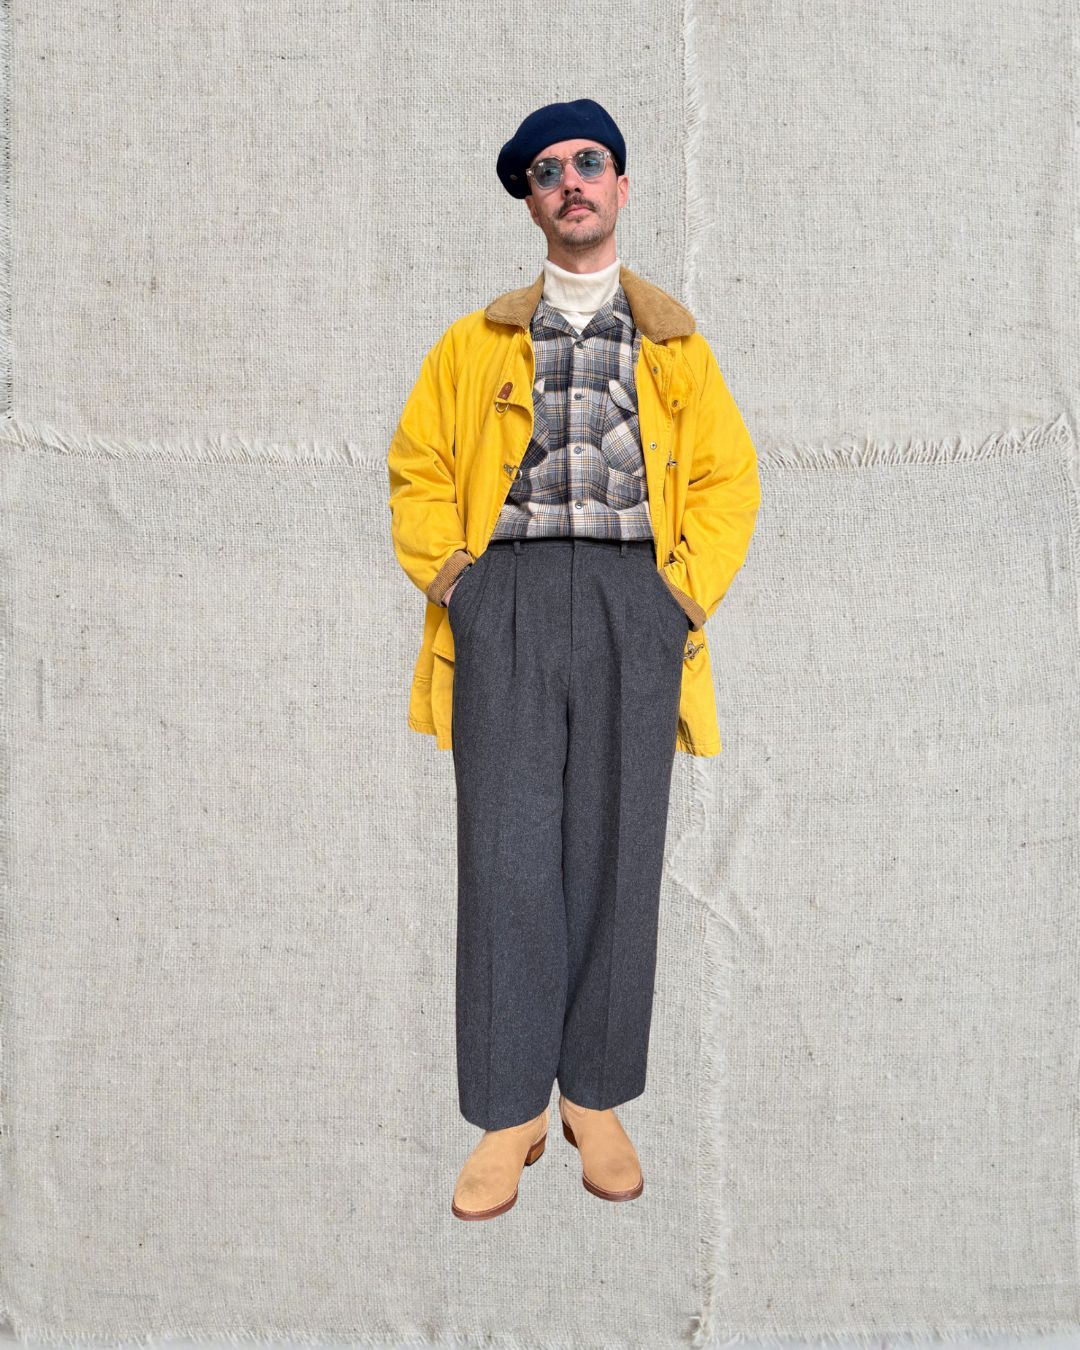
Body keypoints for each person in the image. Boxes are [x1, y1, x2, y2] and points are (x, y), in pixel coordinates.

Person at [387, 98, 761, 1220]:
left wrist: (678, 599)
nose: (572, 182)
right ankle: (510, 1112)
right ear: (533, 202)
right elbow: (417, 466)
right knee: (504, 856)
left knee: (617, 850)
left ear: (622, 185)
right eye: (548, 171)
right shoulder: (473, 344)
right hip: (503, 598)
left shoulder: (676, 345)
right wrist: (458, 582)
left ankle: (594, 1097)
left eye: (589, 162)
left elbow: (729, 480)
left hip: (632, 601)